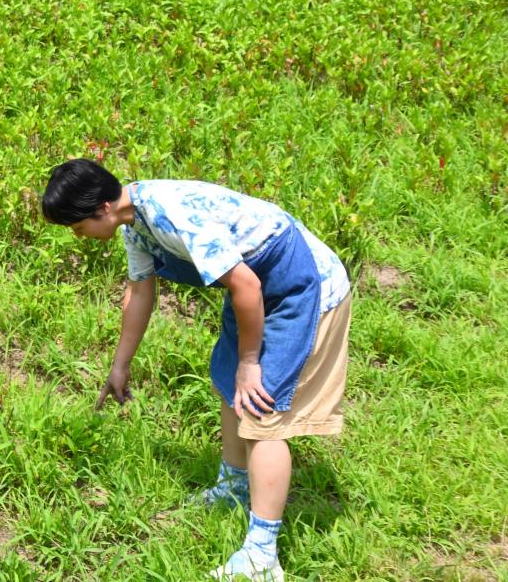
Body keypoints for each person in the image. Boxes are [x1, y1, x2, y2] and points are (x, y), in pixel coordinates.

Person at [41, 158, 352, 582]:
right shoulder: (135, 226)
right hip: (254, 289)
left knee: (262, 411)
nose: (79, 236)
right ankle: (234, 486)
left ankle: (262, 556)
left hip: (300, 286)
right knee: (229, 383)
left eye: (78, 227)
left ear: (102, 208)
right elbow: (139, 293)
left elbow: (246, 284)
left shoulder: (170, 213)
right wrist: (120, 366)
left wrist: (250, 363)